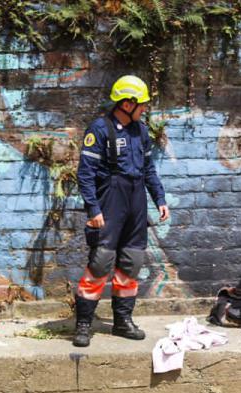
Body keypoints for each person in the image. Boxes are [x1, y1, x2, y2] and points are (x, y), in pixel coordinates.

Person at [72, 74, 170, 347]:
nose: (145, 108)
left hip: (136, 200)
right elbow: (85, 174)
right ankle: (83, 324)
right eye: (142, 104)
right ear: (127, 104)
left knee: (131, 261)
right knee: (101, 261)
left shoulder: (141, 131)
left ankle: (122, 321)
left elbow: (148, 169)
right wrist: (93, 208)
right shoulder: (100, 129)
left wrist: (159, 198)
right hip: (110, 200)